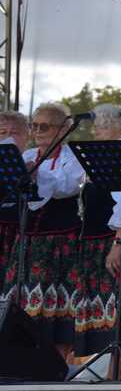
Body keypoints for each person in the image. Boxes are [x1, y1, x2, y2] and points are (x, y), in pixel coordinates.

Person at [2, 103, 84, 359]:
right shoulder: (26, 156)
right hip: (27, 242)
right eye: (34, 125)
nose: (37, 130)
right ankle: (19, 362)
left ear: (64, 129)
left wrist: (35, 177)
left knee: (59, 306)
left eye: (44, 126)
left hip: (62, 241)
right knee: (19, 304)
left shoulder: (73, 159)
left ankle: (56, 365)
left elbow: (66, 187)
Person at [74, 104, 121, 369]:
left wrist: (119, 243)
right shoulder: (98, 159)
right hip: (90, 243)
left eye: (105, 124)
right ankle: (84, 368)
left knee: (118, 310)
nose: (97, 130)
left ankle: (118, 372)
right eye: (97, 124)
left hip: (111, 241)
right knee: (92, 309)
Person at [0, 111, 30, 297]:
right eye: (3, 132)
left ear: (27, 136)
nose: (9, 137)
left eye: (15, 132)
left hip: (17, 235)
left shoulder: (34, 161)